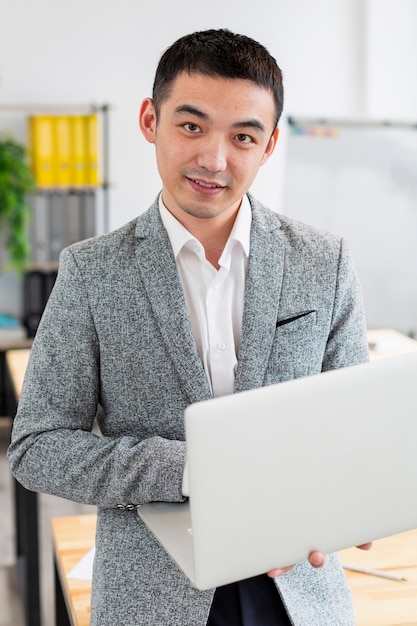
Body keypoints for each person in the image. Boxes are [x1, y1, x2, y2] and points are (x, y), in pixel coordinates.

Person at [8, 29, 371, 625]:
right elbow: (37, 448)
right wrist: (189, 469)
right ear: (151, 120)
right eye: (191, 126)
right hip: (155, 596)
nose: (214, 160)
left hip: (296, 589)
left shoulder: (322, 262)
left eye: (244, 136)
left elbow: (351, 430)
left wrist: (343, 505)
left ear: (270, 144)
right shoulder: (92, 272)